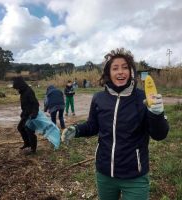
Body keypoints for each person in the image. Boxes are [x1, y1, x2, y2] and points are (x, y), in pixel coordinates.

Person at [61, 48, 169, 200]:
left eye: (125, 67)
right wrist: (76, 130)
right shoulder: (99, 98)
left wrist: (157, 114)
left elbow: (159, 135)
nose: (120, 72)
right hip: (104, 173)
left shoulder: (143, 98)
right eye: (115, 68)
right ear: (108, 73)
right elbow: (93, 125)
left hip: (135, 175)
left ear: (131, 71)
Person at [12, 77, 39, 154]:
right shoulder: (23, 92)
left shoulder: (29, 91)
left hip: (31, 114)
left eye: (17, 88)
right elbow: (25, 105)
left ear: (20, 86)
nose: (17, 90)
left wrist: (34, 114)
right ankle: (27, 144)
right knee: (20, 127)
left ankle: (33, 149)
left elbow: (35, 103)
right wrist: (23, 113)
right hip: (25, 114)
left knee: (30, 130)